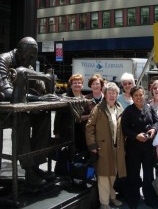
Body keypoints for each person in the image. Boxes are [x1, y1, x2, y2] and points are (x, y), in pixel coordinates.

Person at [0, 37, 54, 187]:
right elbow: (10, 94)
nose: (32, 59)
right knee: (22, 118)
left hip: (12, 110)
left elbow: (39, 85)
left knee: (43, 117)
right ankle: (28, 168)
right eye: (30, 55)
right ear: (19, 51)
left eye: (34, 56)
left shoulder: (26, 64)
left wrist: (46, 86)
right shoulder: (3, 61)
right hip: (3, 111)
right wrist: (40, 98)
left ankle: (37, 164)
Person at [86, 82, 126, 209]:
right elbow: (89, 128)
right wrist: (92, 145)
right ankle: (104, 203)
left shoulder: (120, 108)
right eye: (110, 92)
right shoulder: (98, 108)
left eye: (114, 93)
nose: (112, 95)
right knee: (103, 176)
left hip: (117, 148)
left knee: (113, 174)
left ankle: (112, 197)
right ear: (105, 94)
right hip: (102, 148)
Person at [121, 85, 158, 209]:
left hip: (148, 148)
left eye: (141, 95)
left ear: (144, 95)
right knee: (133, 174)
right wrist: (136, 135)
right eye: (136, 95)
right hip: (133, 149)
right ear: (132, 97)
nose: (139, 97)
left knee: (148, 174)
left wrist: (153, 129)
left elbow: (157, 122)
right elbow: (124, 128)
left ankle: (149, 198)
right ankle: (134, 198)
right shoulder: (128, 111)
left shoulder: (149, 108)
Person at [54, 73, 91, 152]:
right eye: (75, 83)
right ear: (71, 85)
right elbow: (57, 117)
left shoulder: (84, 98)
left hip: (80, 132)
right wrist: (56, 133)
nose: (77, 84)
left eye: (79, 82)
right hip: (66, 132)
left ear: (82, 85)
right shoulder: (64, 98)